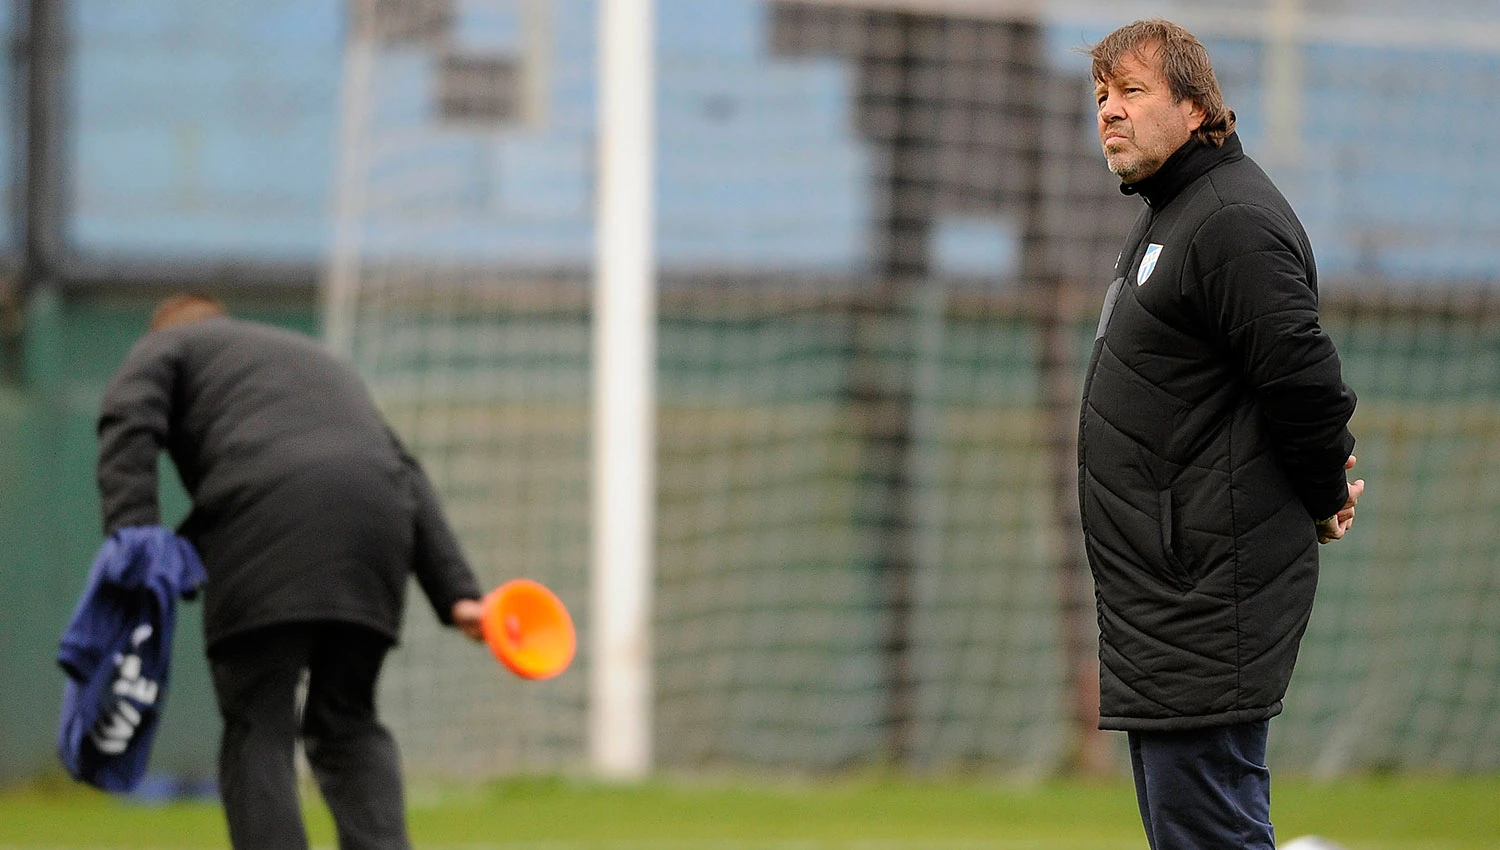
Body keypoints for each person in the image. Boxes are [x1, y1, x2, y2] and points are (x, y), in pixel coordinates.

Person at [1076, 19, 1365, 850]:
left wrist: (1323, 492)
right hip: (1166, 596)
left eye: (1133, 91)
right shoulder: (1173, 214)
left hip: (1203, 591)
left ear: (1198, 107)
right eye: (1101, 94)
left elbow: (1302, 377)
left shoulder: (1230, 219)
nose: (1109, 110)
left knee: (1207, 834)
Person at [96, 293, 488, 850]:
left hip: (264, 521)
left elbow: (126, 419)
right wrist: (457, 593)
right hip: (375, 524)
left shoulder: (168, 344)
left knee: (259, 721)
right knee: (347, 718)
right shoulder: (317, 358)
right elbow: (405, 469)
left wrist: (134, 538)